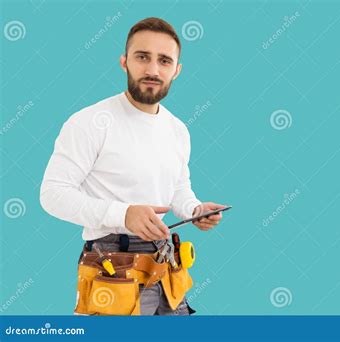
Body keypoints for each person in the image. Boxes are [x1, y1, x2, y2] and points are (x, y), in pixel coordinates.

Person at [40, 17, 226, 315]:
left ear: (176, 70)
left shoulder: (178, 129)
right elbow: (52, 194)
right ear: (125, 62)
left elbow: (177, 188)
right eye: (143, 57)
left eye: (164, 61)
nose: (153, 70)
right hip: (111, 266)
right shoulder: (89, 122)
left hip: (167, 267)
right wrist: (123, 213)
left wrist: (194, 210)